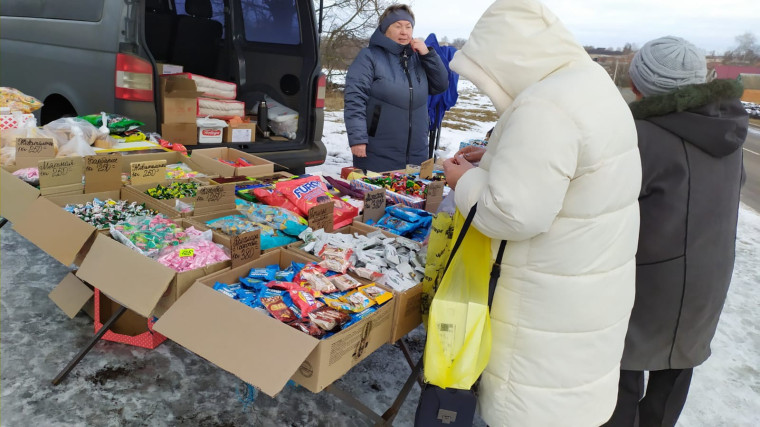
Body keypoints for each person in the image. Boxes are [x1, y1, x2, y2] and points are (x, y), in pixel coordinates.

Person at [440, 0, 642, 425]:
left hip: (541, 315)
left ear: (511, 59)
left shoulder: (545, 106)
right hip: (582, 299)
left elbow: (512, 215)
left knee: (530, 412)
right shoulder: (589, 84)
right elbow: (563, 176)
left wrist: (465, 182)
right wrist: (495, 156)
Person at [603, 36, 748, 427]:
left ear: (638, 86)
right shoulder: (729, 128)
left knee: (621, 379)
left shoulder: (640, 137)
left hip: (647, 280)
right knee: (675, 375)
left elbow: (603, 203)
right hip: (708, 274)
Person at [344, 4, 448, 172]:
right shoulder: (369, 57)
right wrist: (357, 139)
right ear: (385, 29)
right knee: (379, 196)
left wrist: (428, 55)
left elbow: (440, 85)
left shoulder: (418, 57)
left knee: (412, 196)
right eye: (398, 26)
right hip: (378, 151)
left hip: (417, 152)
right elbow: (355, 98)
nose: (404, 32)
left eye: (408, 26)